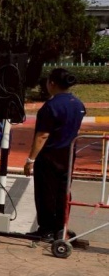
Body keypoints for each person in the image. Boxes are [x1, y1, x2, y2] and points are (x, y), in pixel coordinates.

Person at [24, 68, 86, 241]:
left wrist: (30, 159)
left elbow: (42, 135)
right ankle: (61, 226)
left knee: (46, 193)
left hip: (50, 155)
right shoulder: (78, 104)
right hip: (68, 154)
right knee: (63, 192)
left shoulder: (50, 106)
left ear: (51, 83)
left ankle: (46, 229)